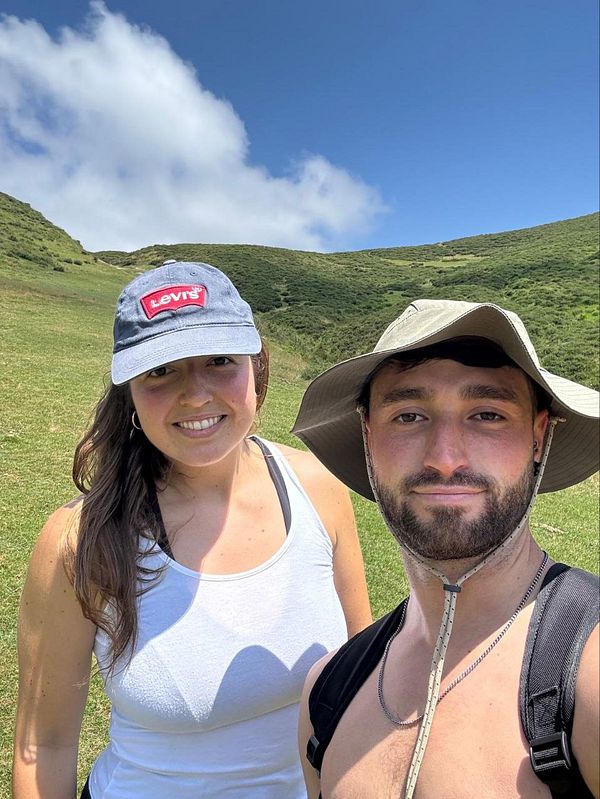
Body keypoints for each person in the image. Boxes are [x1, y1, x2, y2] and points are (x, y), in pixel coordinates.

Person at [13, 260, 372, 799]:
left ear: (257, 367)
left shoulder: (317, 487)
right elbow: (45, 745)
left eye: (220, 361)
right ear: (129, 391)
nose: (196, 394)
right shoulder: (77, 540)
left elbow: (360, 677)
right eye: (161, 371)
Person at [293, 299, 599, 799]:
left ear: (539, 435)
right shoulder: (327, 693)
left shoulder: (588, 673)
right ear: (369, 436)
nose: (445, 458)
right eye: (409, 415)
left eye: (487, 414)